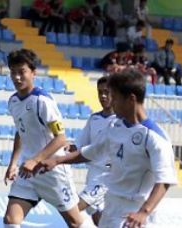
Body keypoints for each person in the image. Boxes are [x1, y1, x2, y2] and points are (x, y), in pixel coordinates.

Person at [39, 69, 178, 228]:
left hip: (133, 213)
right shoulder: (115, 126)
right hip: (111, 206)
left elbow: (165, 179)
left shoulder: (155, 137)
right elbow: (92, 151)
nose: (111, 103)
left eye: (116, 98)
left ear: (131, 99)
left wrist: (143, 212)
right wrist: (57, 160)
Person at [3, 49, 84, 228]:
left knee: (76, 223)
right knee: (11, 220)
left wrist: (35, 160)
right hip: (27, 172)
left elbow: (61, 138)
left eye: (21, 71)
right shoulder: (13, 101)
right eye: (13, 72)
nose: (16, 77)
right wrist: (13, 163)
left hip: (51, 172)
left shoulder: (43, 101)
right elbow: (20, 131)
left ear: (33, 73)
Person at [71, 76, 115, 226]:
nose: (102, 96)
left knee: (73, 211)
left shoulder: (121, 121)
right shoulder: (94, 119)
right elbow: (79, 145)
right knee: (99, 221)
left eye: (106, 92)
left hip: (107, 176)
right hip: (92, 174)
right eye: (100, 92)